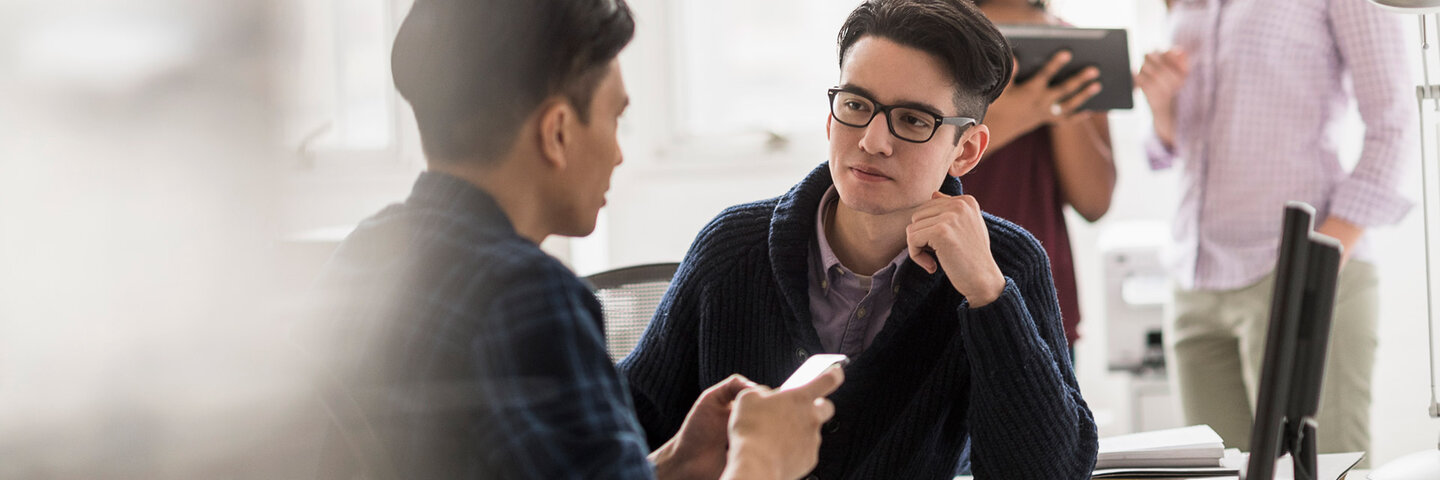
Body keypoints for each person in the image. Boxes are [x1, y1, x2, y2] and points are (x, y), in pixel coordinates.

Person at [303, 0, 843, 478]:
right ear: (558, 132)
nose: (618, 153)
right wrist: (763, 460)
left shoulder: (364, 252)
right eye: (616, 119)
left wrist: (674, 463)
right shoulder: (524, 297)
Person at [618, 1, 1098, 478]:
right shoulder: (730, 248)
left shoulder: (1004, 265)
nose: (872, 141)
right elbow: (618, 432)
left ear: (966, 151)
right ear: (831, 119)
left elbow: (1051, 472)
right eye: (856, 105)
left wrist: (989, 298)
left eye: (912, 120)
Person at [1135, 0, 1412, 458]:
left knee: (1322, 469)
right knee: (1217, 470)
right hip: (1196, 280)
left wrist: (1317, 262)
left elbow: (1394, 123)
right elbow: (1185, 144)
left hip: (1298, 271)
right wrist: (1161, 106)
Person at [966, 0, 1116, 359]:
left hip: (1041, 304)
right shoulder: (927, 41)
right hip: (941, 294)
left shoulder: (1075, 50)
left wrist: (1062, 107)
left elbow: (1094, 202)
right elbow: (915, 163)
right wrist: (1025, 110)